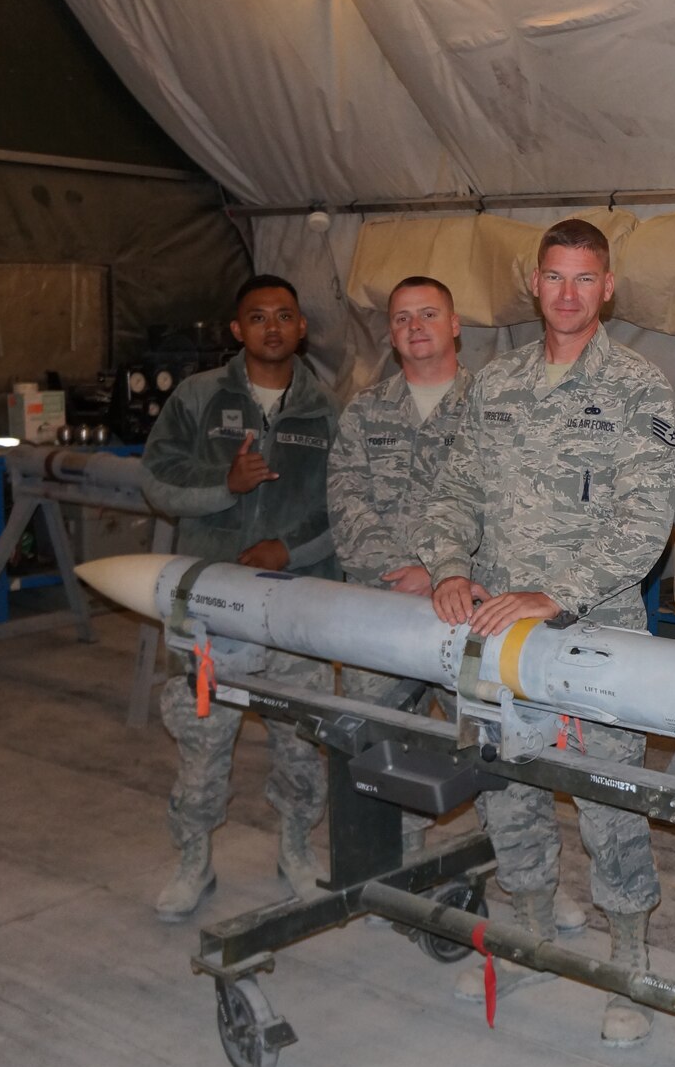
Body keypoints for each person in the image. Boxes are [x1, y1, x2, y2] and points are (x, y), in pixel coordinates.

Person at [417, 218, 675, 1048]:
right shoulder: (492, 386)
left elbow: (647, 524)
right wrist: (449, 564)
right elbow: (454, 488)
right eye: (554, 278)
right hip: (497, 635)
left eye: (584, 279)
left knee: (608, 805)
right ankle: (526, 936)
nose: (567, 293)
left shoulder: (639, 389)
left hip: (597, 639)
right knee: (509, 788)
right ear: (534, 284)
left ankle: (626, 967)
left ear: (607, 288)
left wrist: (552, 592)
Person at [140, 274, 339, 922]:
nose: (272, 328)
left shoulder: (328, 408)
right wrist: (224, 484)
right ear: (236, 329)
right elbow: (158, 480)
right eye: (258, 317)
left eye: (285, 315)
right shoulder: (199, 399)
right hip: (212, 606)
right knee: (202, 739)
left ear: (301, 326)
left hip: (294, 606)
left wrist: (291, 549)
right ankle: (193, 859)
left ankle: (295, 850)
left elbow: (346, 506)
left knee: (300, 744)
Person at [326, 277, 471, 854]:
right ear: (390, 333)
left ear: (455, 324)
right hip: (383, 610)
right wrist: (404, 573)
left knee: (497, 749)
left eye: (429, 313)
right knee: (380, 748)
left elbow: (512, 507)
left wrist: (440, 572)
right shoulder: (365, 412)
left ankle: (527, 882)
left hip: (468, 611)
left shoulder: (494, 408)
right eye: (403, 318)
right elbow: (345, 501)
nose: (416, 326)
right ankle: (395, 865)